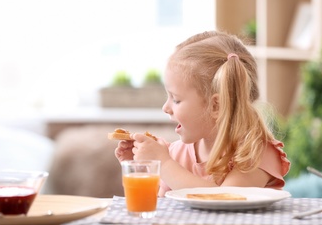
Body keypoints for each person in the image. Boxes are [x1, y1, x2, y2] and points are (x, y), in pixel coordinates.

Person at [114, 30, 290, 197]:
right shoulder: (175, 153)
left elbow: (226, 200)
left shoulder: (255, 153)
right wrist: (140, 169)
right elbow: (163, 209)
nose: (165, 108)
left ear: (216, 106)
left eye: (175, 99)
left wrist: (165, 165)